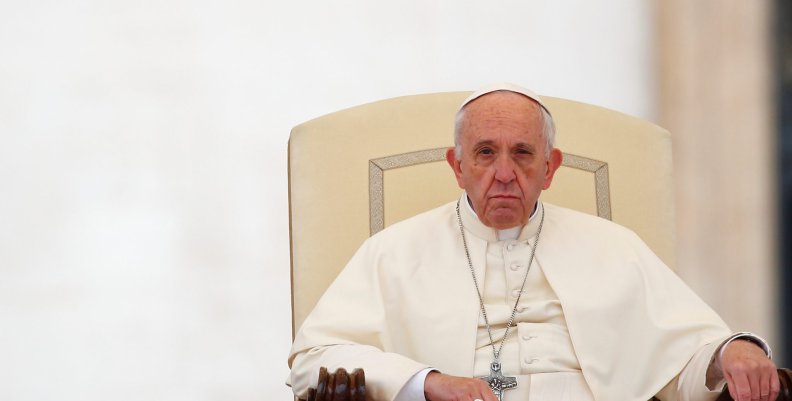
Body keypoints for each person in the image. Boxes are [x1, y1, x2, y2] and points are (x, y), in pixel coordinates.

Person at [288, 83, 779, 401]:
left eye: (523, 154)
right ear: (457, 167)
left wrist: (731, 352)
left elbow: (683, 361)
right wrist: (427, 384)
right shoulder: (393, 252)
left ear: (550, 167)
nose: (505, 174)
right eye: (485, 154)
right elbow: (313, 360)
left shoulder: (614, 247)